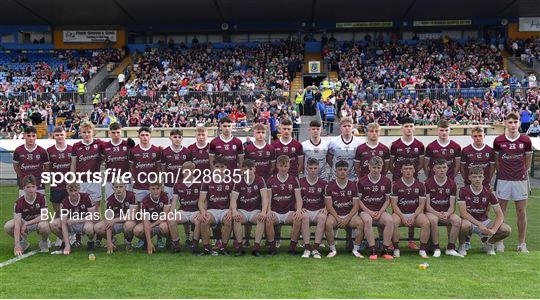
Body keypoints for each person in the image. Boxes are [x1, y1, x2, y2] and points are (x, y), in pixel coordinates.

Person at [493, 112, 533, 253]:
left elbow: (527, 163)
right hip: (503, 180)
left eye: (515, 122)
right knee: (501, 212)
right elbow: (497, 161)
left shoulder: (526, 141)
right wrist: (503, 173)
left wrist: (520, 173)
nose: (512, 125)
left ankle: (522, 244)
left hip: (520, 181)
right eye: (510, 122)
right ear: (505, 123)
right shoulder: (498, 141)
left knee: (521, 212)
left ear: (519, 124)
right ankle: (500, 243)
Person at [458, 167, 512, 256]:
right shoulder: (463, 191)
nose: (477, 179)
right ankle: (462, 246)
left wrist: (494, 230)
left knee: (506, 230)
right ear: (469, 178)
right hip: (470, 222)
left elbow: (500, 215)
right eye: (474, 177)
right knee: (464, 225)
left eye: (480, 177)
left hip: (485, 221)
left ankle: (489, 244)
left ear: (483, 178)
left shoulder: (489, 192)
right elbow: (463, 213)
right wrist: (479, 224)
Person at [389, 116, 425, 250]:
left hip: (413, 181)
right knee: (396, 209)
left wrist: (412, 176)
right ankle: (393, 241)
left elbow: (420, 164)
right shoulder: (395, 144)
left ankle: (411, 240)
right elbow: (391, 165)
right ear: (401, 128)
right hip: (398, 181)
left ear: (414, 128)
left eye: (410, 126)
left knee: (413, 206)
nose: (408, 128)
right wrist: (398, 176)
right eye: (406, 126)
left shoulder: (419, 145)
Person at [390, 159, 430, 258]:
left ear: (414, 170)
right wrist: (403, 218)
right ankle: (396, 249)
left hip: (415, 213)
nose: (408, 171)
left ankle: (422, 249)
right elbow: (394, 204)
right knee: (393, 221)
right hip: (400, 213)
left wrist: (413, 216)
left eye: (410, 168)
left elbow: (421, 204)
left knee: (426, 222)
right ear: (401, 170)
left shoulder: (420, 185)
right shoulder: (396, 184)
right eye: (405, 169)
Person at [196, 155, 235, 256]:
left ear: (226, 167)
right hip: (212, 210)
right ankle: (207, 248)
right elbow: (201, 201)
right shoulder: (207, 180)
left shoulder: (230, 181)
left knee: (228, 220)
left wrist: (230, 211)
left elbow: (232, 200)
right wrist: (203, 212)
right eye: (217, 166)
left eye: (222, 167)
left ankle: (223, 247)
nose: (219, 169)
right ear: (213, 167)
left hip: (225, 210)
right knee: (204, 220)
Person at [325, 160, 364, 258]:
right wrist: (338, 219)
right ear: (335, 171)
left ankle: (356, 250)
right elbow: (329, 206)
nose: (342, 172)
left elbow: (356, 206)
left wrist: (346, 219)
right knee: (329, 223)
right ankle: (332, 249)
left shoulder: (353, 185)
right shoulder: (330, 185)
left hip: (349, 215)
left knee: (360, 223)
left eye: (345, 169)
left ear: (348, 171)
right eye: (340, 169)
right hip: (335, 214)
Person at [424, 158, 463, 257]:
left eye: (444, 167)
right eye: (439, 167)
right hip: (432, 212)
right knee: (433, 220)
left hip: (446, 212)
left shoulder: (452, 183)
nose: (442, 170)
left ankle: (450, 248)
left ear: (447, 168)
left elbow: (452, 205)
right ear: (434, 169)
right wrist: (437, 214)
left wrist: (447, 214)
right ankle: (436, 248)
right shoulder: (428, 183)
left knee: (457, 221)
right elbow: (427, 206)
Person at [265, 155, 303, 256]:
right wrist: (268, 211)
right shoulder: (271, 180)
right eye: (281, 166)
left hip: (288, 212)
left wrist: (298, 210)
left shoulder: (294, 180)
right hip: (275, 212)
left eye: (285, 166)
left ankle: (292, 248)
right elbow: (268, 198)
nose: (283, 168)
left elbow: (299, 198)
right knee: (268, 219)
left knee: (298, 219)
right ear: (277, 166)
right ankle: (272, 248)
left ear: (289, 166)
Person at [357, 156, 394, 260]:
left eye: (378, 167)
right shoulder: (362, 181)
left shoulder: (386, 181)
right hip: (365, 211)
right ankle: (373, 250)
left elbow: (388, 200)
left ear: (381, 168)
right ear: (369, 167)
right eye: (373, 167)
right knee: (368, 221)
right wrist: (369, 211)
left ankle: (385, 250)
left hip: (380, 211)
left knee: (390, 220)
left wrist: (381, 211)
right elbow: (358, 200)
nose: (376, 170)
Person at [4, 175, 50, 256]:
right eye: (28, 187)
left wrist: (27, 224)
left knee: (45, 226)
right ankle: (23, 243)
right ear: (24, 188)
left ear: (36, 187)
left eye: (33, 186)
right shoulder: (18, 202)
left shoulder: (42, 198)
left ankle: (44, 242)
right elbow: (17, 224)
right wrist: (17, 244)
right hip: (24, 222)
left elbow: (44, 216)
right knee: (8, 226)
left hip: (37, 222)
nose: (31, 189)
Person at [230, 159, 268, 256]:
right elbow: (233, 199)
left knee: (261, 219)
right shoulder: (238, 180)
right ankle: (240, 247)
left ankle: (256, 247)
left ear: (254, 169)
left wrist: (263, 212)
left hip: (255, 211)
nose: (248, 171)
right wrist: (234, 211)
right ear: (242, 170)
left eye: (250, 169)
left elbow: (265, 197)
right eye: (245, 169)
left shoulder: (260, 180)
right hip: (242, 210)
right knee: (236, 218)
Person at [50, 182, 97, 255]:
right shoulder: (64, 202)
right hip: (70, 224)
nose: (73, 193)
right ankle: (65, 242)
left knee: (89, 228)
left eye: (75, 190)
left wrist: (76, 220)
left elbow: (94, 216)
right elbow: (63, 224)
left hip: (84, 223)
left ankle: (90, 241)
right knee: (53, 224)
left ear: (79, 189)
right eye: (71, 191)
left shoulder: (86, 197)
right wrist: (67, 245)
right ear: (67, 190)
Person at [94, 181, 137, 254]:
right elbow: (109, 221)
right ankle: (112, 240)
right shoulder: (110, 200)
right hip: (115, 223)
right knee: (97, 227)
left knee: (129, 225)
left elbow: (131, 216)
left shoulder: (132, 195)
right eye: (116, 187)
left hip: (127, 221)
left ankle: (128, 242)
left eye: (121, 187)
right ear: (112, 188)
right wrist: (108, 242)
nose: (118, 189)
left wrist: (114, 220)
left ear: (125, 186)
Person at [298, 158, 328, 259]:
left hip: (317, 210)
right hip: (306, 210)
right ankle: (307, 248)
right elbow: (296, 199)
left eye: (315, 168)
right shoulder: (300, 182)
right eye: (310, 168)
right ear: (306, 168)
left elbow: (328, 199)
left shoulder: (324, 183)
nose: (313, 170)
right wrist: (299, 208)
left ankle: (315, 248)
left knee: (323, 217)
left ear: (319, 169)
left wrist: (325, 208)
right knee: (304, 217)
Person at [133, 181, 173, 254]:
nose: (155, 191)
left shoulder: (165, 196)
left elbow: (164, 217)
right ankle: (146, 242)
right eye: (153, 189)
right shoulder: (145, 201)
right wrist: (149, 242)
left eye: (158, 188)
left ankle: (169, 240)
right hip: (149, 222)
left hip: (161, 222)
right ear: (149, 189)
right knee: (137, 230)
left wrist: (151, 226)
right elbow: (145, 221)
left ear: (161, 188)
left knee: (164, 227)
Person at [70, 121, 103, 207]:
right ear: (80, 133)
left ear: (93, 132)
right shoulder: (76, 146)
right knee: (83, 207)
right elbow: (73, 164)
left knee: (96, 208)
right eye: (84, 132)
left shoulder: (99, 144)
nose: (87, 134)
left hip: (95, 180)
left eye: (89, 132)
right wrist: (72, 179)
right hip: (81, 181)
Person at [13, 126, 49, 196]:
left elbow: (47, 168)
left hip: (39, 184)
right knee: (23, 205)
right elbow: (15, 166)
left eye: (33, 136)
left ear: (36, 136)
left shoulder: (42, 151)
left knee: (41, 206)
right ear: (24, 136)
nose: (31, 138)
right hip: (24, 184)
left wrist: (41, 177)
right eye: (28, 136)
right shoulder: (18, 150)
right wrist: (22, 177)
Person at [129, 127, 162, 203]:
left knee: (153, 207)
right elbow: (131, 167)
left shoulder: (157, 150)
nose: (145, 137)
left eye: (147, 135)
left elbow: (158, 167)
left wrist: (155, 179)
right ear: (138, 136)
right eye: (142, 135)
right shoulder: (133, 151)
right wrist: (136, 178)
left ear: (150, 136)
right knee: (137, 207)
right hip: (138, 186)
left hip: (153, 186)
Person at [101, 122, 134, 199]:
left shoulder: (128, 144)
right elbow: (101, 161)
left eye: (118, 132)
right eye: (113, 132)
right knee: (111, 203)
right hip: (110, 179)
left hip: (125, 178)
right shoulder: (105, 146)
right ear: (109, 133)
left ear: (121, 132)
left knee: (126, 202)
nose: (116, 135)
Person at [161, 129, 192, 200]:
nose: (177, 139)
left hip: (183, 184)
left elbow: (189, 170)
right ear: (170, 138)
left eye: (179, 137)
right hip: (169, 184)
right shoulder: (165, 152)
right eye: (175, 137)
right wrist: (164, 181)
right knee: (168, 204)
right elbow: (163, 169)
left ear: (182, 138)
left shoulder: (187, 152)